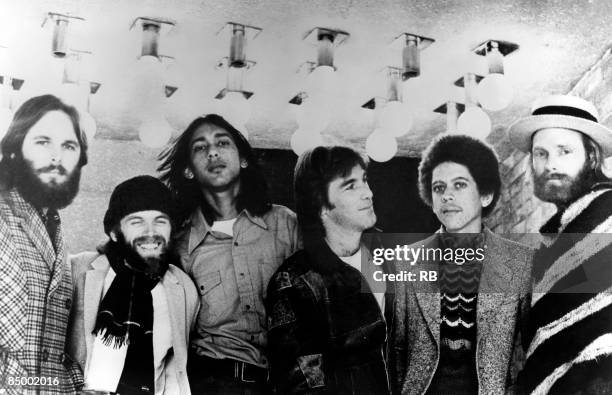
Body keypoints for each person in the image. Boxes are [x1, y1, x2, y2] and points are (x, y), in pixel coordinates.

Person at [158, 114, 299, 394]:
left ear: (243, 159)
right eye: (200, 147)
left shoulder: (285, 223)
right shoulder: (179, 244)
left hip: (288, 381)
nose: (212, 151)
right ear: (189, 171)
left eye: (223, 142)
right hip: (213, 381)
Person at [390, 134, 533, 394]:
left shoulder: (520, 262)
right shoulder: (406, 260)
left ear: (486, 195)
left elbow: (531, 348)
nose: (447, 196)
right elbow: (397, 349)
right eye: (438, 188)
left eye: (459, 185)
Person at [509, 95, 612, 394]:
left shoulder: (608, 212)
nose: (550, 164)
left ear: (591, 157)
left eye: (564, 151)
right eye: (540, 154)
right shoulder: (553, 240)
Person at [266, 146, 390, 394]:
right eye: (351, 186)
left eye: (364, 181)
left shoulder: (393, 256)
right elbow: (303, 384)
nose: (368, 193)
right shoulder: (293, 282)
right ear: (321, 204)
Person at [66, 175, 199, 394]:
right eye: (136, 222)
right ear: (114, 232)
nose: (151, 232)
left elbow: (173, 370)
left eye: (160, 220)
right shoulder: (78, 270)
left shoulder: (182, 287)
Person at [0, 94, 88, 394]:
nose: (57, 156)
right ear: (15, 150)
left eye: (68, 146)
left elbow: (49, 354)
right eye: (43, 142)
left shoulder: (55, 230)